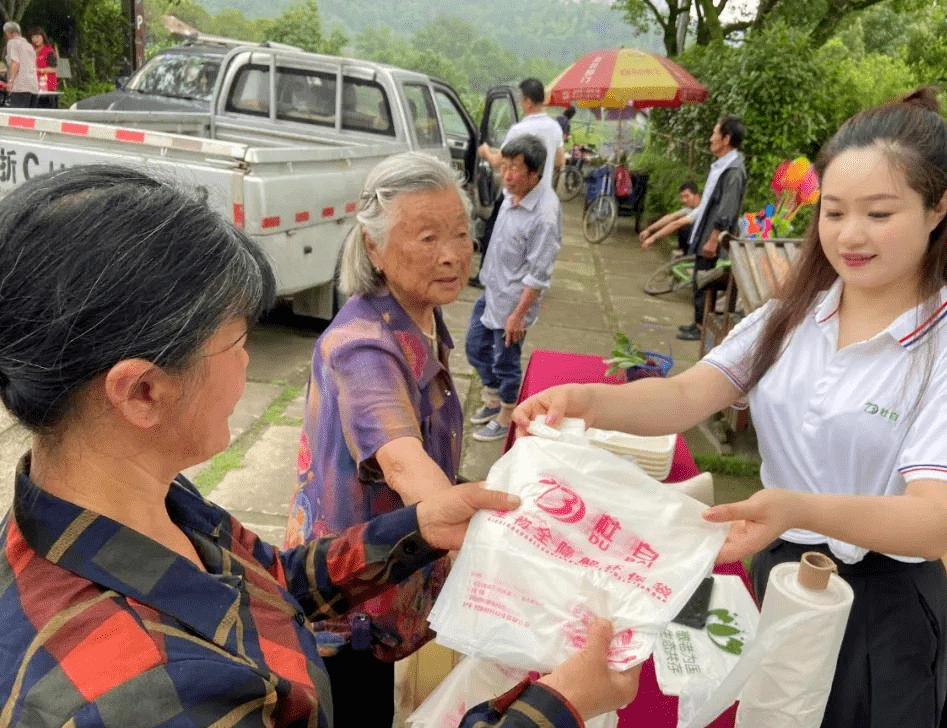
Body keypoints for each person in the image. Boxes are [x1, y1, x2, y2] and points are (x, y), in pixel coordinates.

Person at [0, 164, 639, 728]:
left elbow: (269, 581)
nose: (250, 365)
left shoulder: (150, 502)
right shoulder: (148, 695)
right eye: (238, 341)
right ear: (140, 392)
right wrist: (555, 707)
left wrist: (418, 527)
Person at [514, 88, 947, 728]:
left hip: (881, 616)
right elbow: (687, 394)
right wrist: (586, 400)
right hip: (780, 572)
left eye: (879, 213)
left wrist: (792, 508)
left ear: (939, 208)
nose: (851, 235)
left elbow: (932, 521)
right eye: (834, 213)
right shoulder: (795, 316)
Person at [283, 152, 471, 727]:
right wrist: (484, 544)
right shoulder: (364, 347)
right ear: (373, 246)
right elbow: (401, 457)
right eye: (428, 236)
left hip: (387, 566)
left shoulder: (417, 314)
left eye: (462, 234)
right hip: (349, 590)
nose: (452, 253)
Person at [467, 134, 560, 442]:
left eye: (515, 168)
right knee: (475, 346)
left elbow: (538, 274)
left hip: (513, 302)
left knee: (505, 362)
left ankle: (508, 415)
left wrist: (518, 315)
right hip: (493, 289)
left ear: (535, 173)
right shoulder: (512, 194)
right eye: (504, 166)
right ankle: (493, 401)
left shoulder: (544, 216)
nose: (506, 175)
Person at [470, 78, 565, 288]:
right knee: (533, 245)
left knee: (495, 234)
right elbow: (560, 161)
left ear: (528, 101)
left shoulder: (519, 130)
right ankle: (527, 280)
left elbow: (499, 163)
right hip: (541, 197)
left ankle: (486, 277)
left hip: (515, 196)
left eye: (521, 99)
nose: (521, 103)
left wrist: (485, 151)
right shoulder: (555, 127)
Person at [677, 116, 747, 341]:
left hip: (713, 234)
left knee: (705, 279)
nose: (711, 138)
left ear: (726, 139)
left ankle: (701, 327)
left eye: (715, 133)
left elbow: (727, 206)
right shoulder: (721, 165)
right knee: (700, 278)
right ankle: (698, 322)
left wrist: (714, 237)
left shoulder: (733, 170)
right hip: (706, 229)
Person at [639, 180, 702, 254]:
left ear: (697, 195)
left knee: (686, 230)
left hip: (706, 241)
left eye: (687, 196)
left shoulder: (700, 209)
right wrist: (649, 230)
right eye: (682, 197)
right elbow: (670, 217)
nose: (684, 200)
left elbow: (676, 224)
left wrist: (653, 238)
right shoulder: (690, 208)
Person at [3, 21, 38, 108]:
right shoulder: (29, 45)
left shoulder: (12, 43)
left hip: (20, 86)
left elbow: (15, 62)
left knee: (18, 118)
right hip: (33, 86)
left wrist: (10, 82)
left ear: (8, 33)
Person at [28, 27, 57, 108]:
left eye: (37, 37)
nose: (35, 39)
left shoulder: (49, 50)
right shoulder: (30, 50)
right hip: (33, 86)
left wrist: (39, 70)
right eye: (33, 37)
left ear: (43, 37)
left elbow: (54, 69)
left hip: (47, 86)